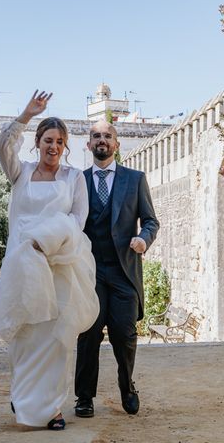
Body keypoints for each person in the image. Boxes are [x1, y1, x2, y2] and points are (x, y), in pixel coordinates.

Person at [0, 90, 99, 431]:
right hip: (23, 264)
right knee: (26, 335)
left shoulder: (74, 178)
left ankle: (53, 409)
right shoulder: (20, 172)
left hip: (60, 265)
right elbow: (3, 147)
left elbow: (78, 221)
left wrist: (49, 241)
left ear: (66, 147)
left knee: (56, 338)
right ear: (38, 142)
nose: (54, 146)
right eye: (48, 140)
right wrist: (25, 115)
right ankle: (22, 397)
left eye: (60, 141)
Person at [74, 119, 160, 417]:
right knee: (89, 333)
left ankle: (127, 386)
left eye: (107, 136)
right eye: (96, 136)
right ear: (89, 144)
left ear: (116, 144)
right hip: (89, 271)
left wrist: (143, 239)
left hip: (124, 271)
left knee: (124, 334)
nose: (102, 140)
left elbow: (151, 220)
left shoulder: (135, 179)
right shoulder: (78, 181)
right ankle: (84, 397)